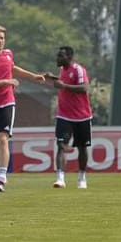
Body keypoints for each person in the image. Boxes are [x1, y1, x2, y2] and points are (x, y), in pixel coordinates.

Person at [0, 25, 45, 192]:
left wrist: (33, 76)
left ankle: (1, 177)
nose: (0, 41)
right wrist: (6, 82)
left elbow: (12, 68)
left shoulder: (8, 54)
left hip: (6, 103)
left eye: (2, 38)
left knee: (3, 138)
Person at [44, 46, 92, 190]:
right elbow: (62, 82)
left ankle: (82, 177)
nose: (57, 59)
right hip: (64, 115)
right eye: (57, 56)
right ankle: (60, 178)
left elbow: (84, 88)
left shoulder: (78, 69)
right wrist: (54, 79)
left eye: (60, 56)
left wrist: (63, 86)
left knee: (82, 148)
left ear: (69, 57)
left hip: (82, 116)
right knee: (61, 146)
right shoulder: (62, 71)